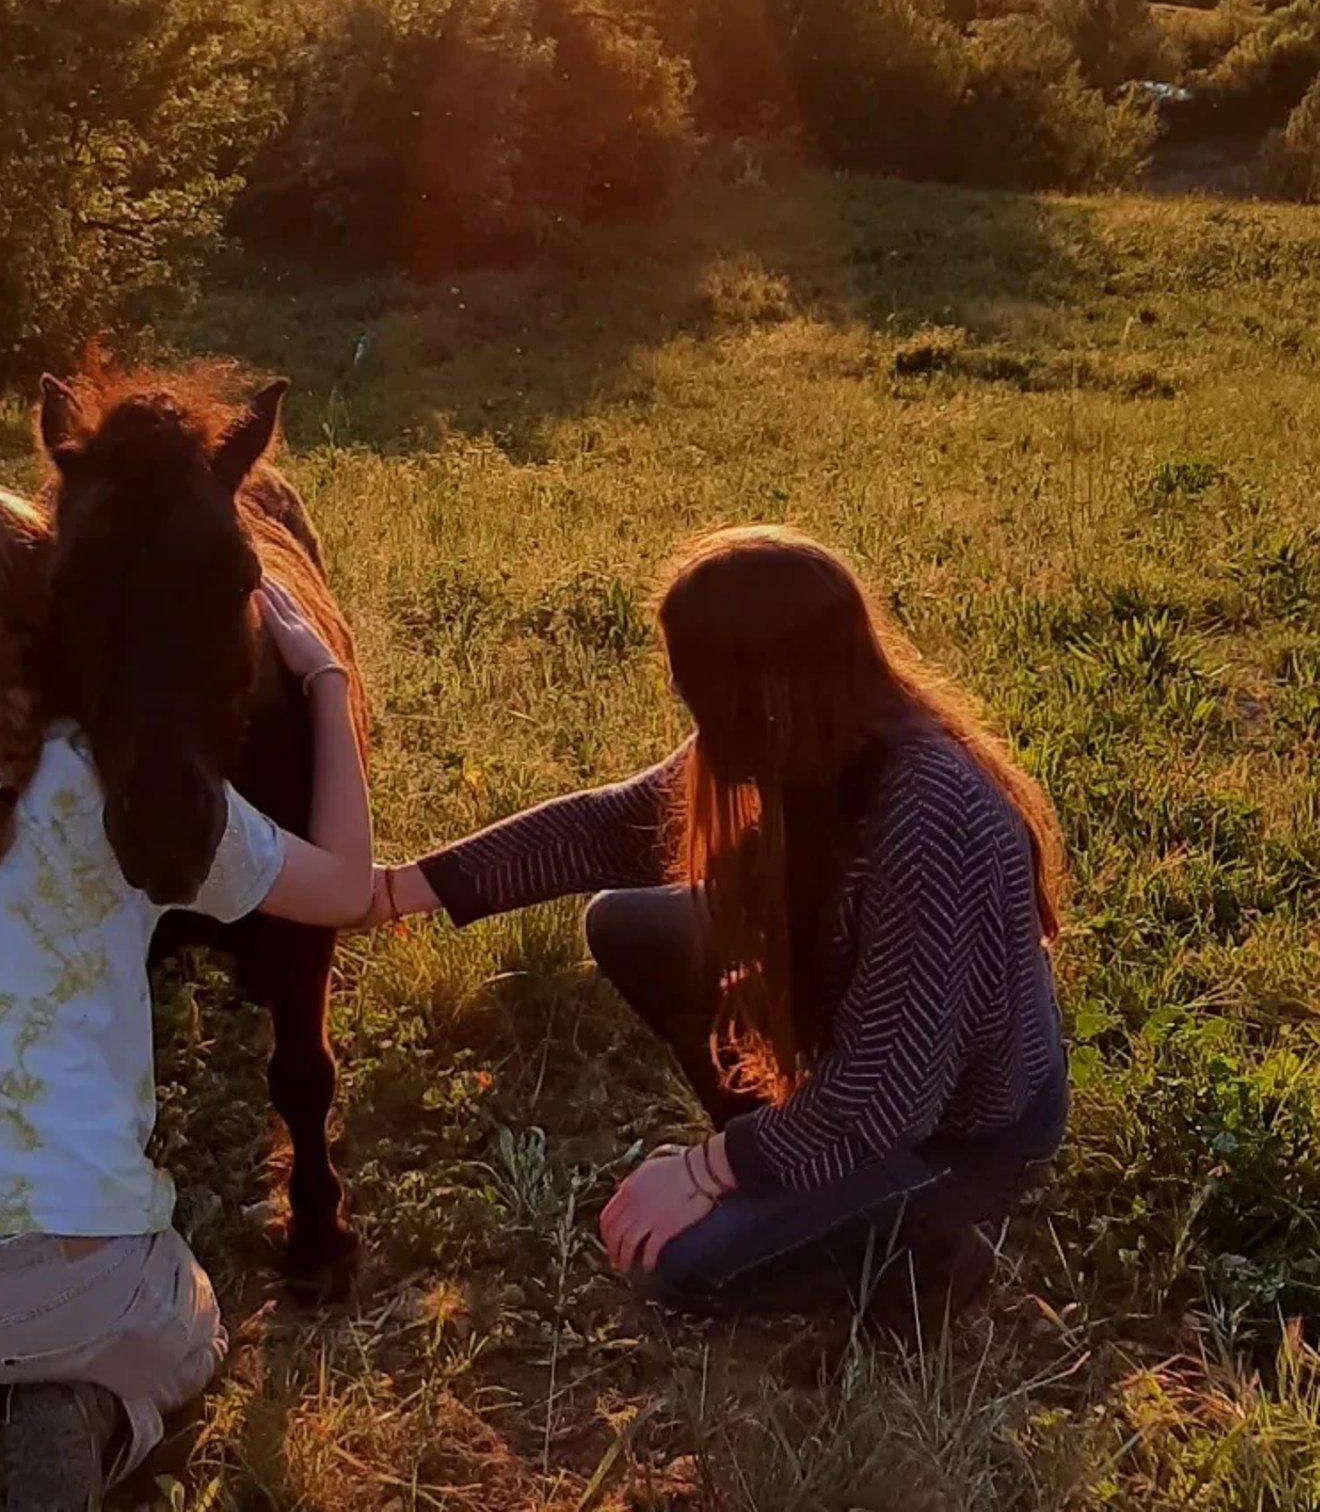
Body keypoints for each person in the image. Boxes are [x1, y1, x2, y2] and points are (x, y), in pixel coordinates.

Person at [0, 483, 372, 1512]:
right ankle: (85, 1412)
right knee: (194, 1327)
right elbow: (350, 890)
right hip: (73, 1282)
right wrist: (328, 681)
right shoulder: (134, 796)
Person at [361, 525, 1067, 1324]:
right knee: (630, 925)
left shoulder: (932, 821)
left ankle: (937, 1254)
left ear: (765, 687)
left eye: (694, 686)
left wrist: (707, 1170)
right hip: (871, 1077)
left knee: (682, 1268)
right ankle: (795, 1164)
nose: (685, 705)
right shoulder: (810, 734)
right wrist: (396, 891)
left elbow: (885, 1102)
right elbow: (614, 826)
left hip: (958, 1135)